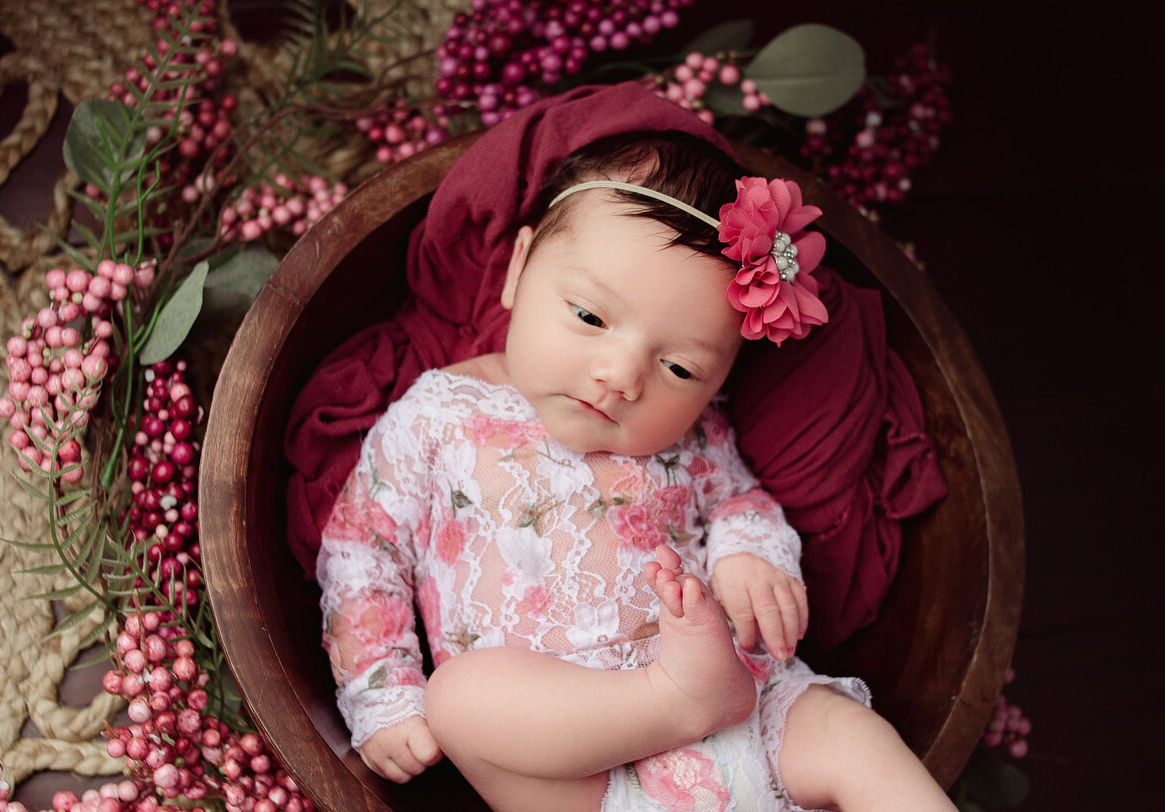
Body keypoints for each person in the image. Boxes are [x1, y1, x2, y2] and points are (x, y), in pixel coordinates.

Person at [316, 130, 954, 811]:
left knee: (853, 740)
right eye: (590, 315)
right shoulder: (439, 415)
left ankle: (692, 698)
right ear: (519, 267)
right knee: (461, 701)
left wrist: (750, 560)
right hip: (585, 782)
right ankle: (673, 701)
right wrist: (384, 692)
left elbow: (742, 501)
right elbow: (363, 547)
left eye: (679, 368)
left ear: (719, 381)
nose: (620, 377)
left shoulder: (697, 435)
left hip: (751, 720)